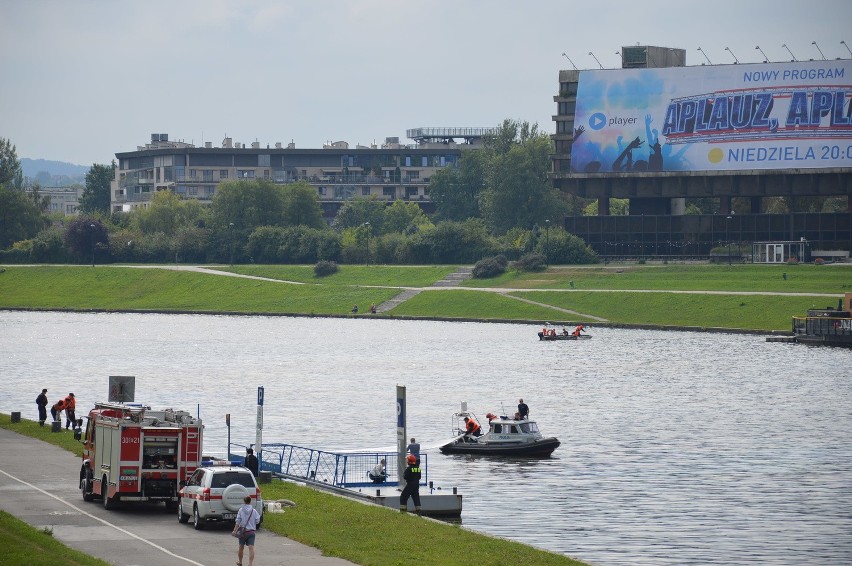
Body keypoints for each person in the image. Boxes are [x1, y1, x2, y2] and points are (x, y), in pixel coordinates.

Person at [234, 495, 260, 566]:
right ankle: (250, 564)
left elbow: (238, 521)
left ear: (244, 501)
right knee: (251, 548)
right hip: (251, 532)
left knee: (241, 547)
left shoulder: (241, 510)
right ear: (250, 501)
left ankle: (240, 562)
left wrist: (234, 530)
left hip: (243, 532)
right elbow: (257, 520)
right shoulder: (253, 511)